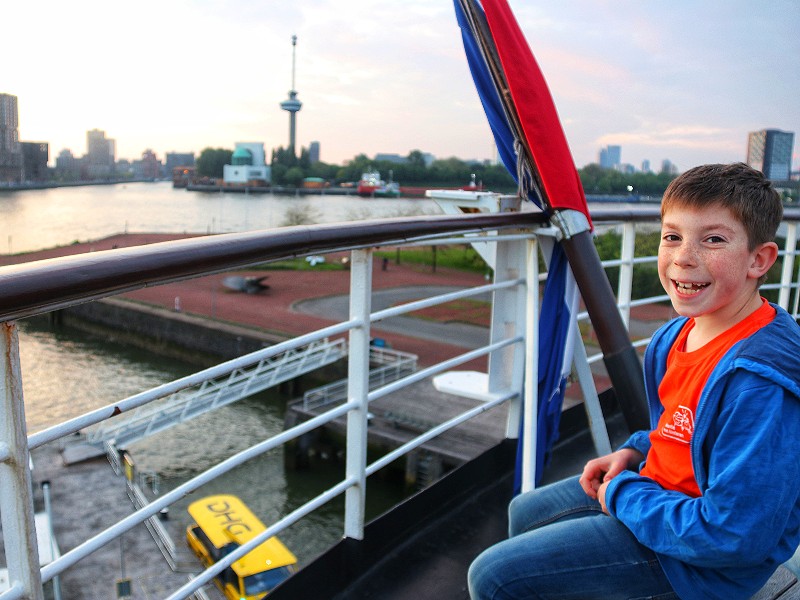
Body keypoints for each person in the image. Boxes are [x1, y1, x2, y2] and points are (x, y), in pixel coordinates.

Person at [468, 162, 800, 600]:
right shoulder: (675, 336)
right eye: (672, 236)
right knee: (525, 510)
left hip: (704, 564)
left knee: (494, 575)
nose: (683, 256)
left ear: (759, 259)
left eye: (713, 239)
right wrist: (635, 450)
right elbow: (679, 428)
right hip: (664, 495)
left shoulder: (760, 381)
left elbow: (734, 536)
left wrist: (623, 493)